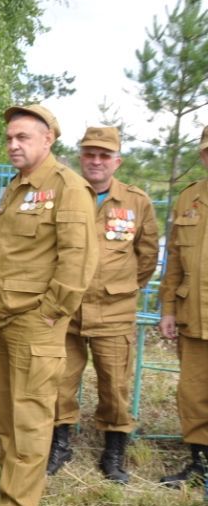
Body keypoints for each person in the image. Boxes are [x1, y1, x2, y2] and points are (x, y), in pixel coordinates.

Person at [0, 104, 97, 506]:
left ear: (48, 140)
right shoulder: (18, 187)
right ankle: (11, 481)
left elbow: (77, 259)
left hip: (36, 319)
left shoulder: (68, 187)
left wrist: (53, 312)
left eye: (23, 138)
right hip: (2, 315)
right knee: (7, 407)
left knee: (30, 411)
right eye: (10, 138)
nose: (13, 145)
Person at [50, 127, 158, 483]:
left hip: (114, 310)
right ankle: (59, 444)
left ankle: (114, 451)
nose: (96, 161)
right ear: (81, 157)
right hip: (68, 307)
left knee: (115, 385)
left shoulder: (135, 201)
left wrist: (120, 287)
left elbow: (147, 255)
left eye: (104, 156)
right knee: (60, 381)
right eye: (89, 154)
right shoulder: (66, 193)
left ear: (117, 161)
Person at [159, 125, 208, 488]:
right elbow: (174, 259)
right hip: (194, 314)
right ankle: (200, 465)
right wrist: (168, 310)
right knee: (193, 393)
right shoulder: (188, 199)